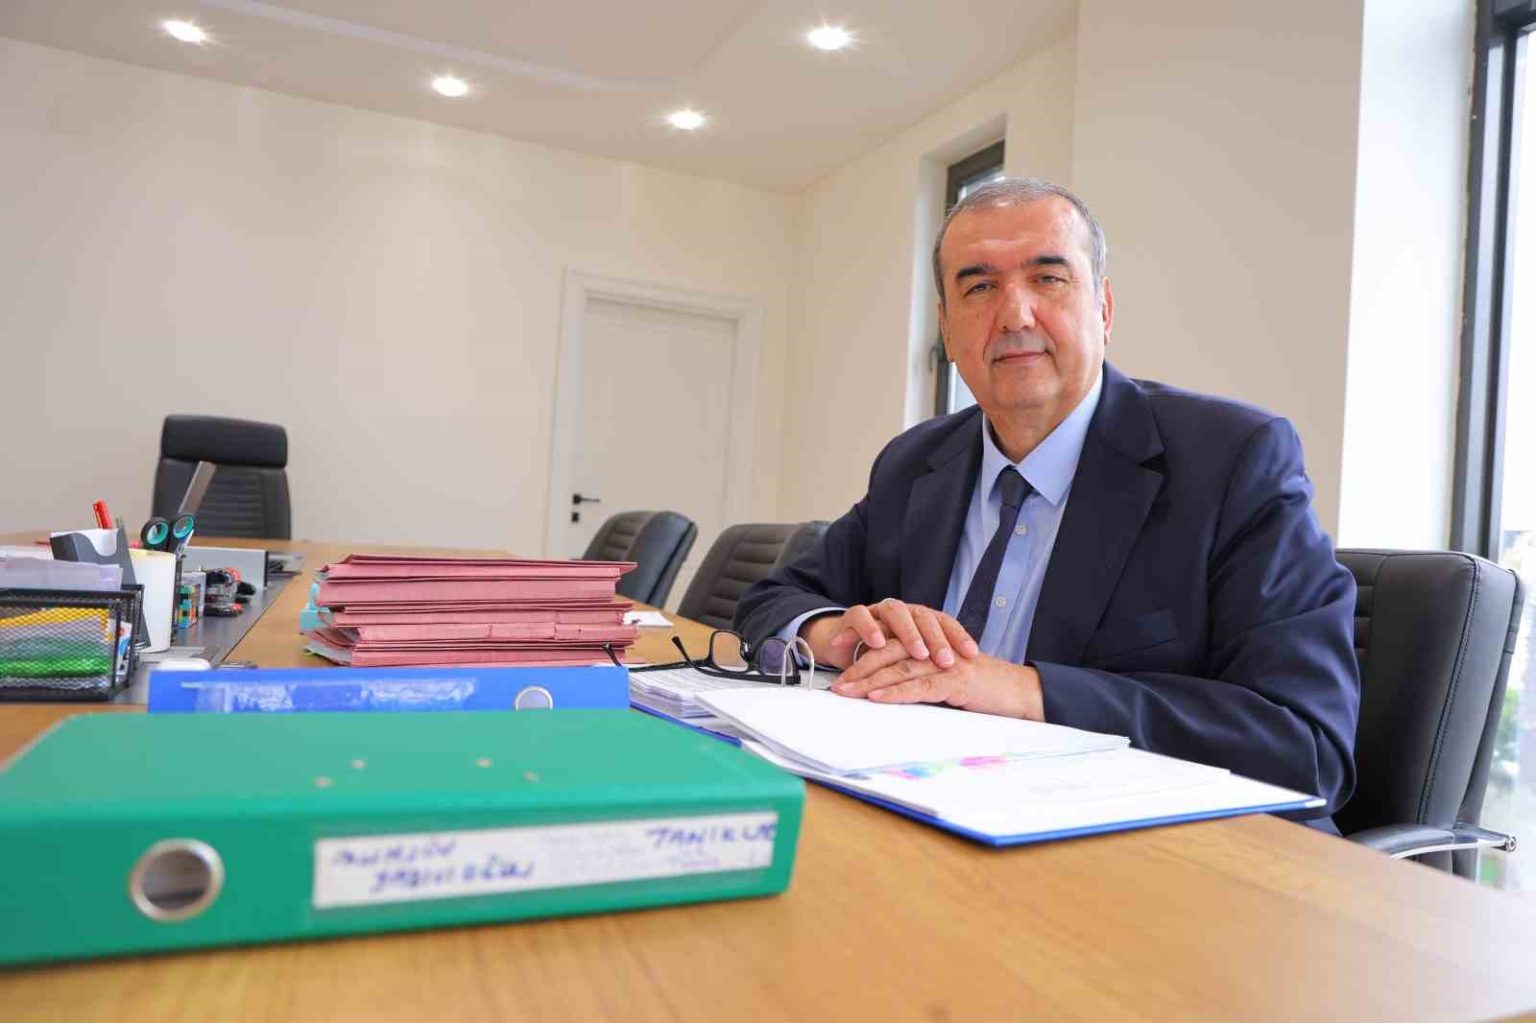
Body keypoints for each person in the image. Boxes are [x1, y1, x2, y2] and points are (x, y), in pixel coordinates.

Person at [735, 178, 1360, 827]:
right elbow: (771, 601)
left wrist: (1024, 690)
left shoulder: (1232, 460)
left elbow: (1306, 743)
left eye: (1049, 279)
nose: (1015, 315)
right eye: (979, 287)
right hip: (926, 809)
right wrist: (842, 635)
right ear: (947, 329)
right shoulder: (915, 464)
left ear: (1104, 309)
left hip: (1151, 847)